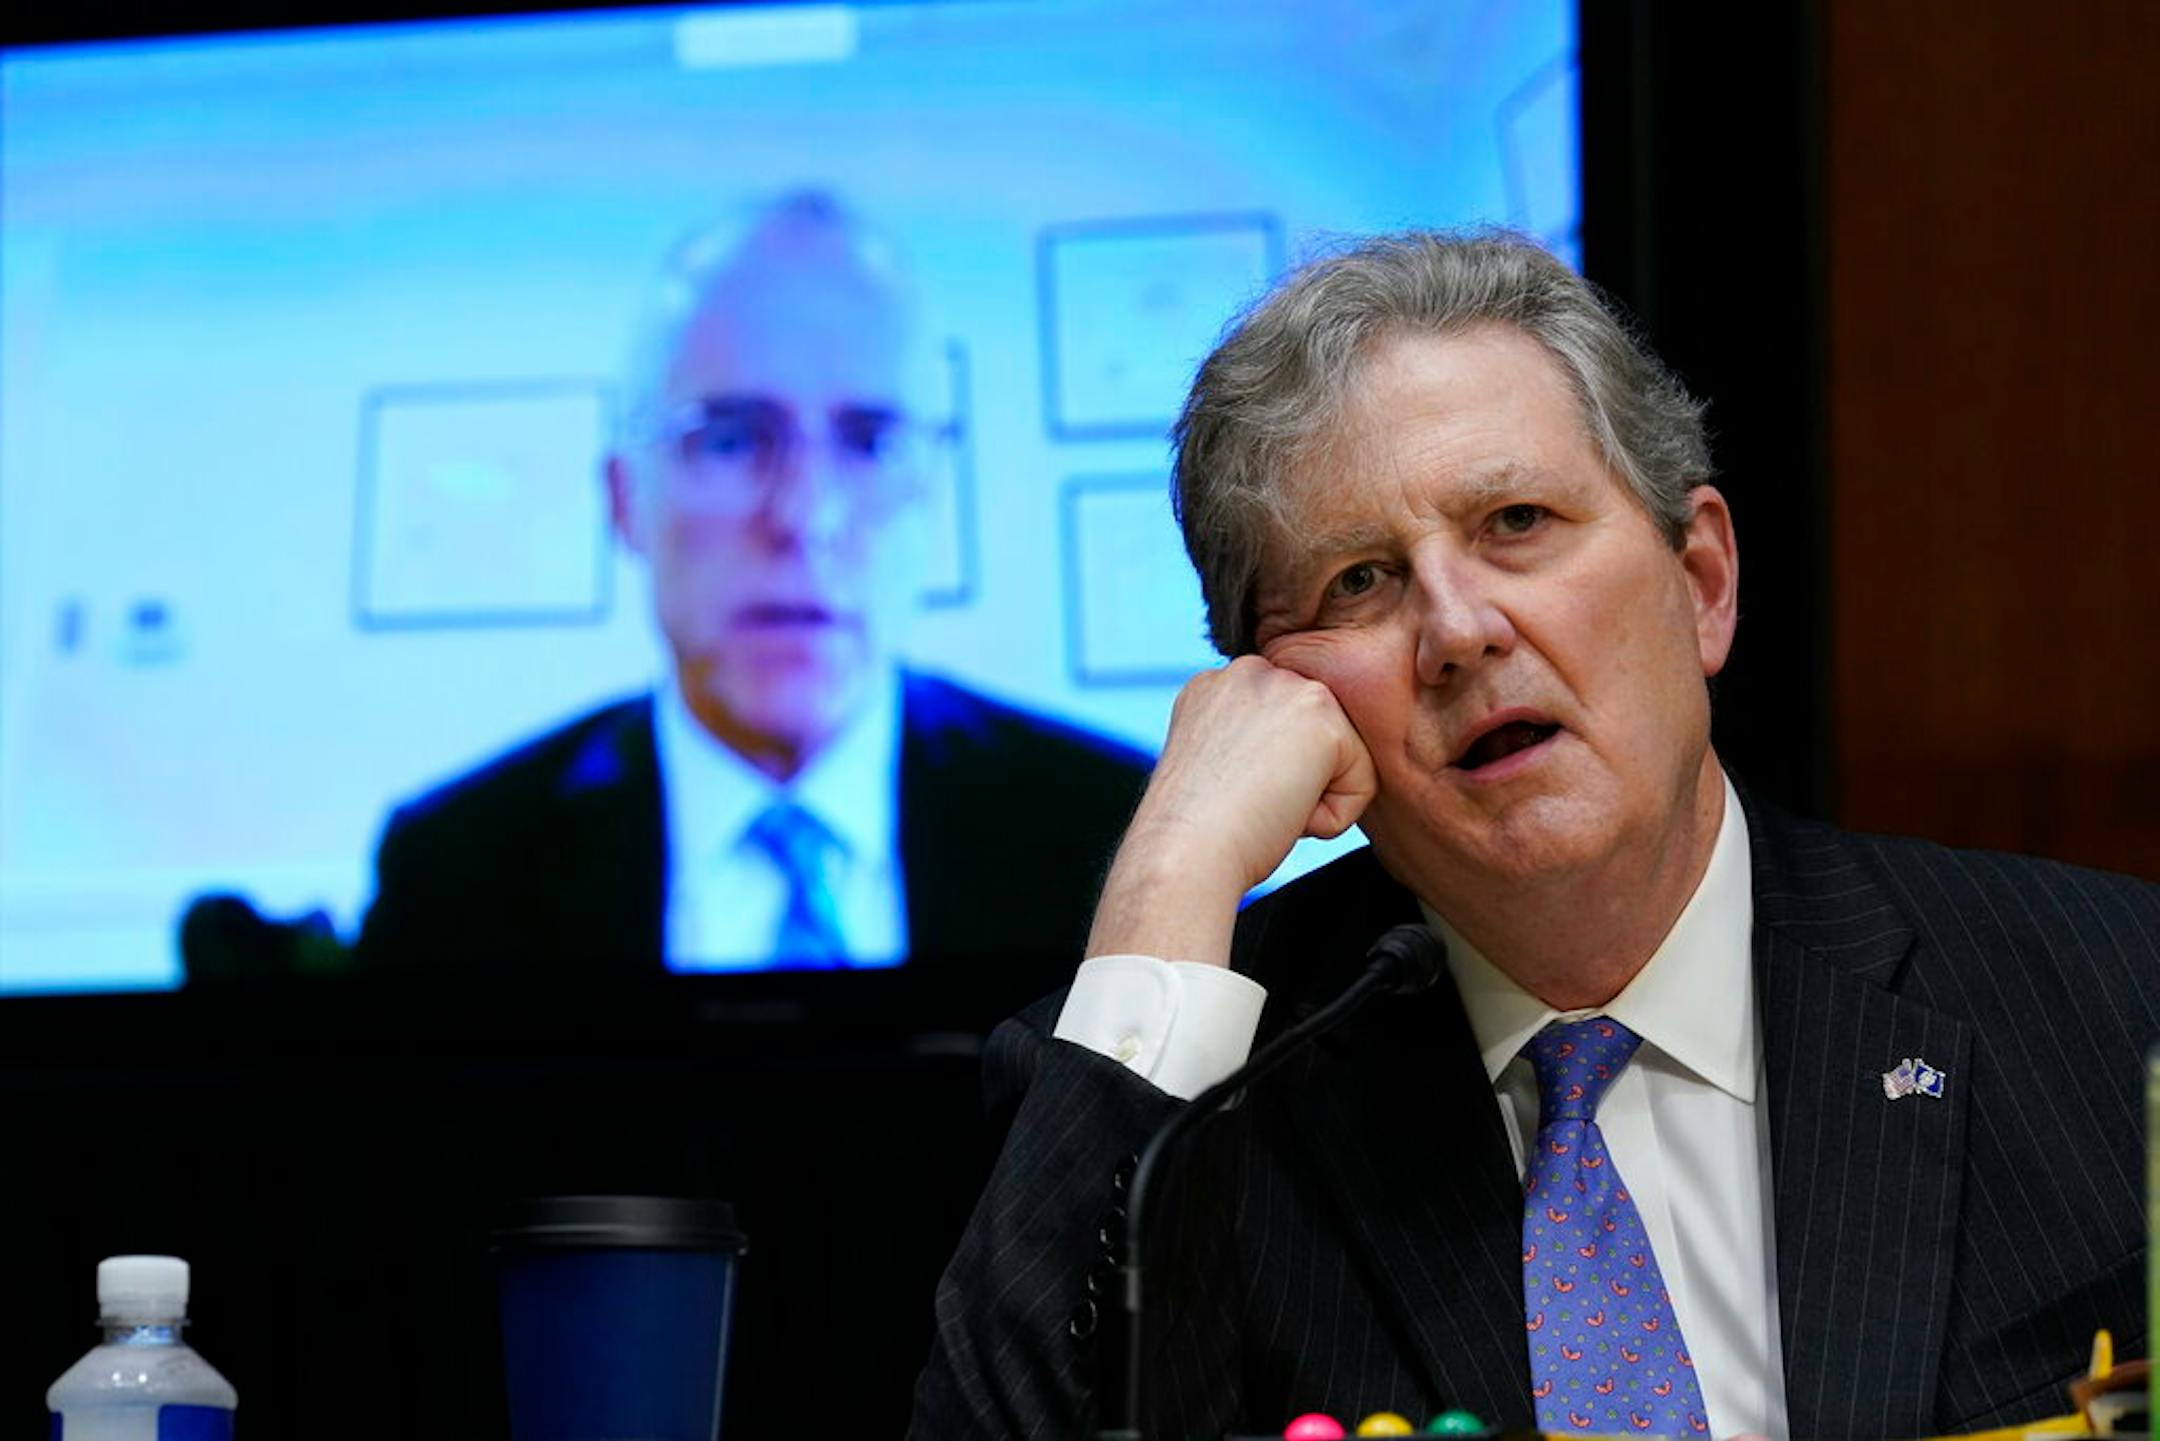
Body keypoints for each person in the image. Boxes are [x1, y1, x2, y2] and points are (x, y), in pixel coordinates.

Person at [911, 231, 2158, 1439]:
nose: (1458, 630)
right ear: (1273, 702)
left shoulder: (2110, 1000)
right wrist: (1173, 874)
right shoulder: (1201, 1121)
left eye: (1516, 521)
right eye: (1359, 581)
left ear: (1703, 582)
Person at [354, 192, 1149, 991]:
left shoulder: (1120, 838)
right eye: (730, 438)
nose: (804, 515)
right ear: (626, 497)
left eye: (870, 441)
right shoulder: (454, 867)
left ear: (931, 494)